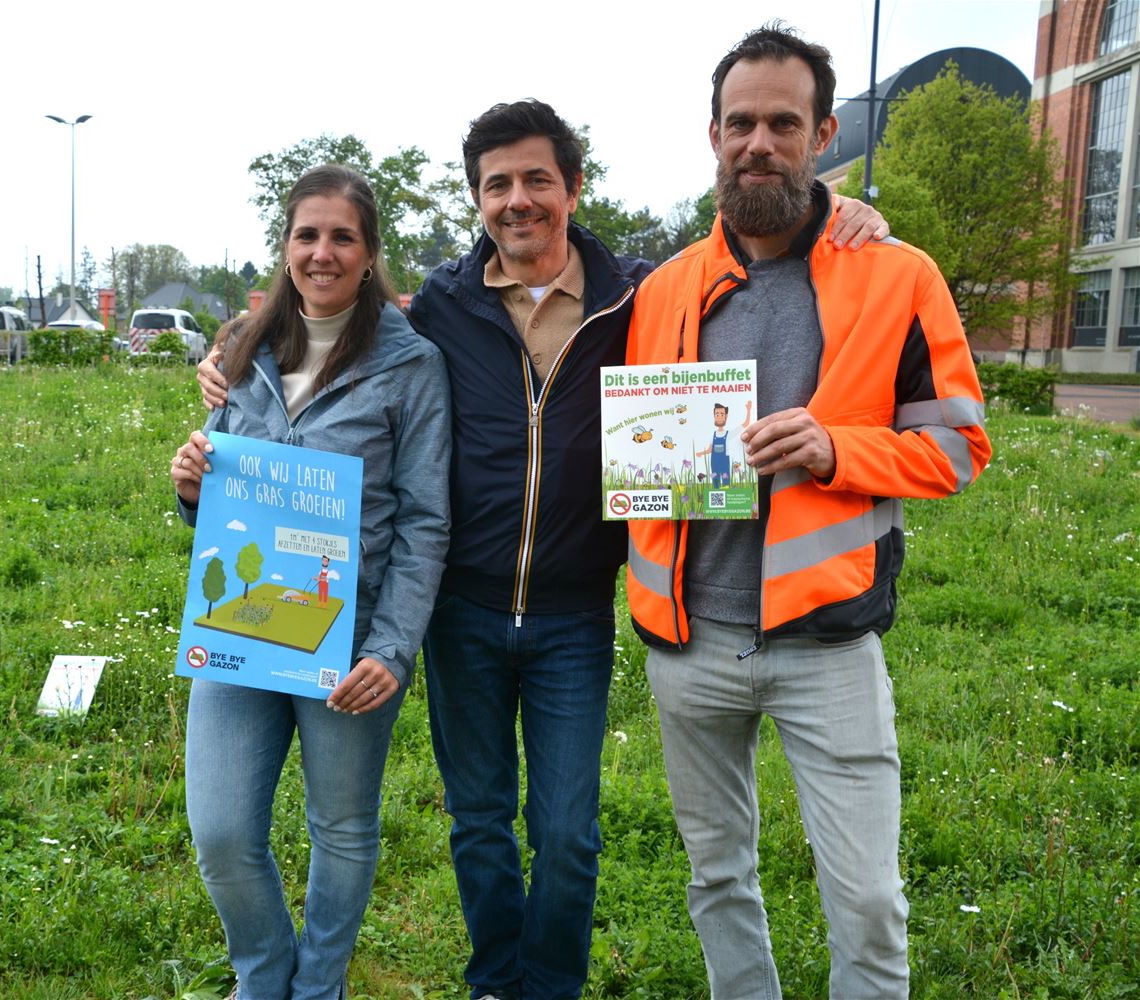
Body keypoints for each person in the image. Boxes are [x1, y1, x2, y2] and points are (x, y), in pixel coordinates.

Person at [201, 102, 885, 1000]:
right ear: (477, 199)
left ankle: (551, 984)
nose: (517, 200)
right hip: (463, 611)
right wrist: (234, 353)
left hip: (572, 613)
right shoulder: (443, 307)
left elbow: (744, 252)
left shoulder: (639, 296)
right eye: (498, 185)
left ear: (574, 187)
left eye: (536, 180)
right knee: (479, 820)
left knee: (566, 831)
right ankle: (495, 980)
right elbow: (338, 331)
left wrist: (843, 214)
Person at [625, 24, 991, 1000]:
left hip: (828, 642)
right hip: (689, 644)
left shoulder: (899, 276)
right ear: (713, 135)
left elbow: (960, 449)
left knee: (867, 900)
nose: (759, 142)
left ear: (823, 134)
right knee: (717, 878)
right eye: (740, 123)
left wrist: (840, 450)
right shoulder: (661, 289)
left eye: (782, 124)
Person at [170, 164, 450, 1000]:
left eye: (342, 237)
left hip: (349, 641)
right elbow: (219, 486)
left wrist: (391, 650)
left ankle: (318, 986)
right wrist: (190, 487)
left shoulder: (412, 365)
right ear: (286, 245)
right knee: (221, 832)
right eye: (307, 235)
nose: (323, 253)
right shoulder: (243, 350)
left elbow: (425, 521)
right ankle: (264, 977)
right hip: (243, 625)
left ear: (369, 254)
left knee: (341, 826)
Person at [698, 400, 753, 487]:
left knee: (726, 481)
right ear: (714, 416)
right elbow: (710, 450)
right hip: (714, 463)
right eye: (717, 415)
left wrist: (748, 410)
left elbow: (746, 423)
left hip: (724, 462)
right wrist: (701, 453)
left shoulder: (728, 434)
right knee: (715, 482)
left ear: (726, 416)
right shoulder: (713, 435)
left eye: (722, 415)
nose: (719, 417)